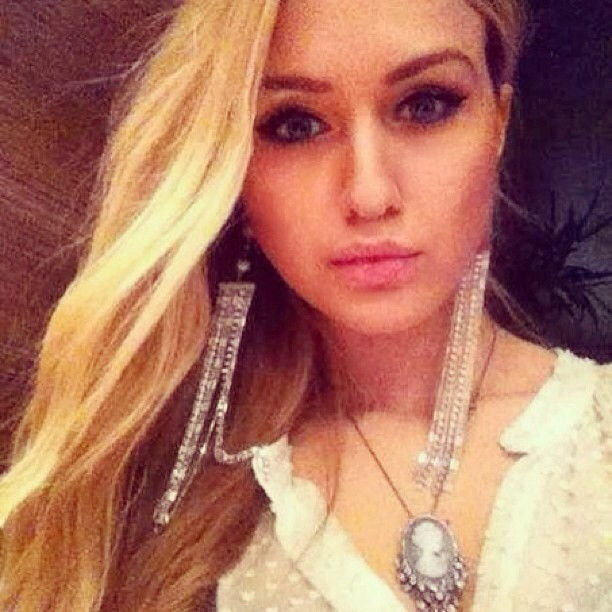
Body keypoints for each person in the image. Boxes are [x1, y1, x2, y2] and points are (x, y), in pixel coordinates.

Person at [0, 0, 610, 610]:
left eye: (426, 105)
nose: (369, 194)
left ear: (497, 122)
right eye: (295, 125)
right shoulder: (156, 490)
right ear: (232, 164)